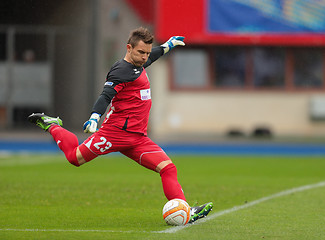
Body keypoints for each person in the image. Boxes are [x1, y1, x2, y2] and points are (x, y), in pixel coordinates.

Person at [28, 27, 212, 224]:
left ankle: (186, 211)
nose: (144, 57)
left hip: (137, 138)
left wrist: (167, 45)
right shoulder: (121, 71)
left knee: (168, 168)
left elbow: (152, 57)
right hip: (114, 134)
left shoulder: (139, 64)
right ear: (129, 48)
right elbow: (106, 95)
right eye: (141, 52)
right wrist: (94, 117)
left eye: (147, 53)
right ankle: (53, 125)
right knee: (74, 157)